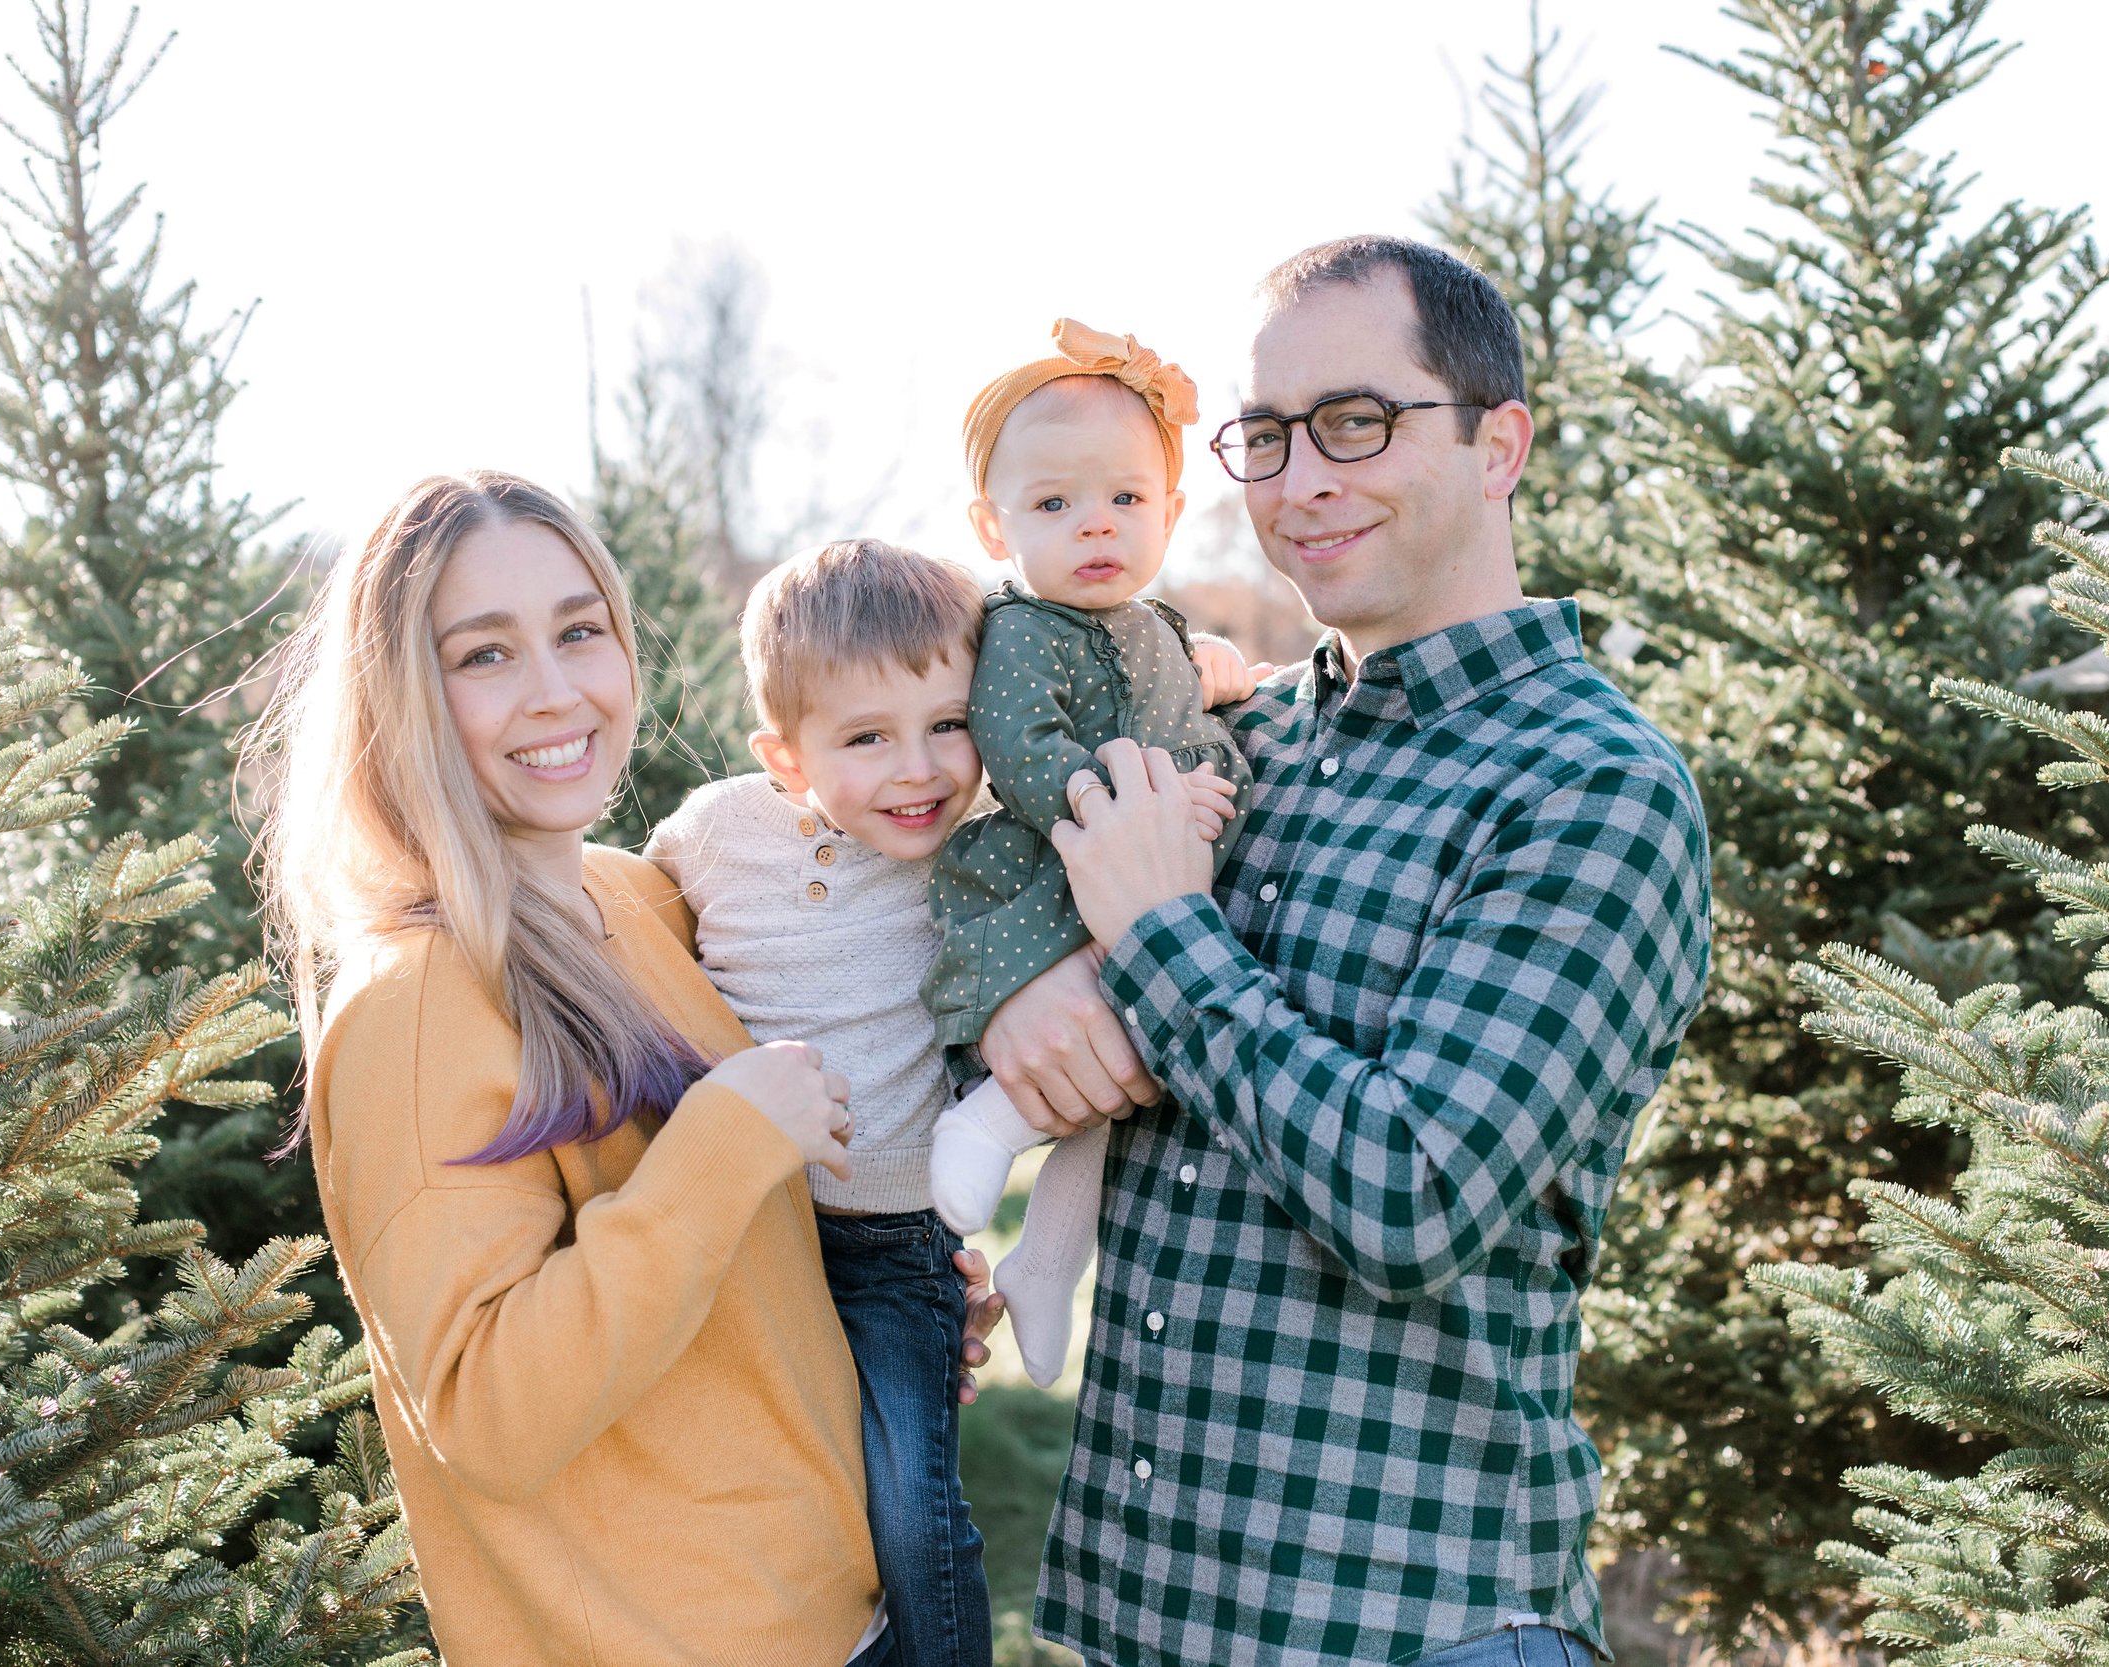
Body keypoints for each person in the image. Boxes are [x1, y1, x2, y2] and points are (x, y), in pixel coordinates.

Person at [983, 239, 1716, 1666]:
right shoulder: (1239, 748)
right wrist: (1027, 1003)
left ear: (1499, 442)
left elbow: (1414, 1192)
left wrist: (1161, 937)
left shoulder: (1593, 790)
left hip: (1405, 1631)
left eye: (1359, 422)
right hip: (1149, 1621)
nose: (1300, 478)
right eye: (1265, 436)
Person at [253, 472, 994, 1667]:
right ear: (399, 700)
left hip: (832, 1604)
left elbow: (715, 1264)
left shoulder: (631, 893)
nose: (556, 691)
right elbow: (489, 1411)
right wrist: (726, 1143)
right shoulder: (420, 1001)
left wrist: (877, 1289)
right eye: (483, 654)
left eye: (578, 629)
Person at [644, 537, 1004, 1667]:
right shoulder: (708, 837)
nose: (920, 769)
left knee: (907, 1505)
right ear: (786, 759)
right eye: (866, 738)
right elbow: (613, 930)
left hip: (896, 1244)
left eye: (949, 722)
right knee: (778, 1500)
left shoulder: (979, 858)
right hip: (747, 1227)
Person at [921, 319, 1258, 1384]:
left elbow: (1191, 729)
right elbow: (1024, 749)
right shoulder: (1020, 629)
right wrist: (1119, 796)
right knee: (1104, 1042)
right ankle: (981, 1127)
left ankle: (1051, 1258)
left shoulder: (1157, 629)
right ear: (993, 524)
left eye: (1123, 498)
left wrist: (1212, 770)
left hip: (1138, 887)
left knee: (1129, 1082)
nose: (1095, 526)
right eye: (1054, 504)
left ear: (1169, 510)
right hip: (1046, 887)